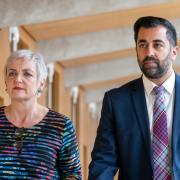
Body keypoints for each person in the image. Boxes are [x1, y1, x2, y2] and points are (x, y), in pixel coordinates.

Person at [88, 16, 180, 179]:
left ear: (174, 52)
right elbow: (103, 162)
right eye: (142, 45)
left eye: (157, 45)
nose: (149, 52)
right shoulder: (116, 101)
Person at [0, 49, 82, 179]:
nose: (18, 79)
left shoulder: (60, 125)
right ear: (5, 81)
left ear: (41, 83)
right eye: (12, 73)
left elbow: (73, 175)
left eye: (27, 74)